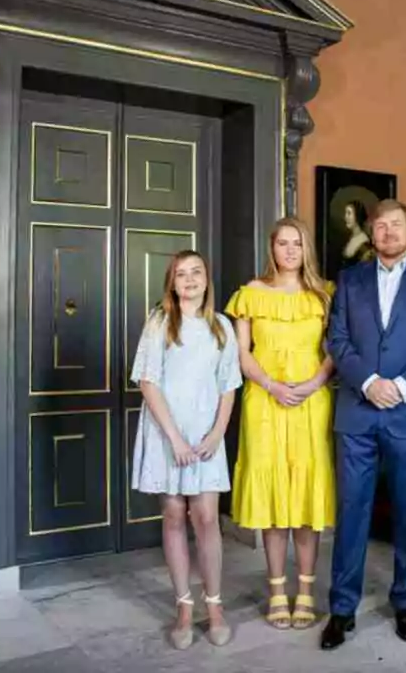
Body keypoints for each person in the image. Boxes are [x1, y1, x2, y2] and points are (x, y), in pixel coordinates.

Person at [321, 199, 406, 650]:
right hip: (358, 413)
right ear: (373, 233)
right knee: (352, 511)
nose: (387, 233)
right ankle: (342, 609)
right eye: (379, 226)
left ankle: (404, 601)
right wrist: (368, 382)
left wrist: (398, 387)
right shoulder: (349, 280)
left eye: (396, 225)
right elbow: (336, 339)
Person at [129, 250, 243, 650]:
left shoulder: (222, 327)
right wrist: (175, 439)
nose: (190, 279)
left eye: (197, 272)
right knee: (175, 512)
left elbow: (229, 385)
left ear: (207, 280)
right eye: (182, 274)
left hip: (206, 434)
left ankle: (214, 607)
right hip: (167, 433)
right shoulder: (160, 322)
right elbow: (148, 382)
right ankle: (183, 605)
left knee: (207, 516)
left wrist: (217, 433)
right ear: (172, 283)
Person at [226, 217, 336, 631]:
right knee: (274, 500)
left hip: (311, 400)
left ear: (306, 249)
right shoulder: (251, 294)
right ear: (271, 249)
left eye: (297, 244)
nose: (290, 250)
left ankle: (305, 591)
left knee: (306, 499)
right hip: (264, 400)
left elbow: (334, 349)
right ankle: (276, 591)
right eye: (283, 244)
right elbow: (242, 352)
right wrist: (271, 384)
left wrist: (311, 384)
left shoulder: (325, 295)